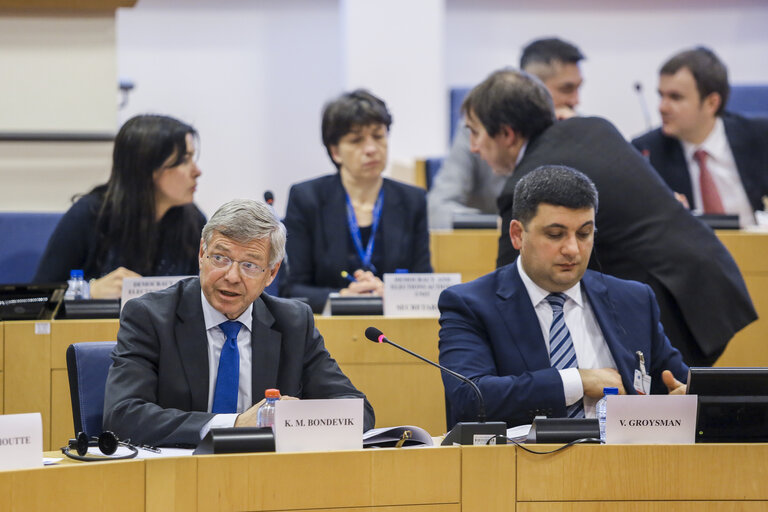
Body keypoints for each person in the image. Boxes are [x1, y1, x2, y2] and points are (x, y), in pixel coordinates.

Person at [464, 68, 755, 368]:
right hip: (710, 278)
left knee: (656, 409)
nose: (473, 147)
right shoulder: (594, 127)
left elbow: (510, 294)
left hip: (672, 301)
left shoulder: (527, 185)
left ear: (507, 134)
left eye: (475, 131)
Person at [103, 199, 375, 447]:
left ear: (271, 272)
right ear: (201, 254)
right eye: (220, 258)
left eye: (250, 265)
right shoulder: (149, 316)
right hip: (177, 479)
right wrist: (234, 424)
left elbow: (358, 411)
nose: (232, 276)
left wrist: (297, 417)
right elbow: (122, 414)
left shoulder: (293, 323)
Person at [438, 165, 688, 428]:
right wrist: (577, 381)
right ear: (517, 235)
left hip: (623, 464)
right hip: (521, 465)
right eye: (555, 235)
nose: (572, 249)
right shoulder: (470, 304)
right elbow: (471, 397)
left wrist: (683, 398)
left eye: (584, 234)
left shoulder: (634, 300)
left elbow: (674, 382)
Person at [281, 89, 432, 313]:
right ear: (335, 152)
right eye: (356, 140)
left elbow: (425, 284)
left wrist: (391, 294)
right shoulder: (306, 198)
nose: (371, 149)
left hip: (395, 328)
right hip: (328, 331)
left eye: (378, 136)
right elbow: (292, 289)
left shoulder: (412, 200)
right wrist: (342, 297)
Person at [33, 114, 206, 298]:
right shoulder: (90, 215)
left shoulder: (194, 222)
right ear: (148, 168)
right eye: (185, 160)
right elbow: (37, 297)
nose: (197, 171)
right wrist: (88, 291)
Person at [427, 37, 585, 228]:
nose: (576, 101)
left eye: (578, 89)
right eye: (566, 89)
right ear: (530, 88)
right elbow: (438, 208)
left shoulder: (576, 131)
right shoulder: (479, 130)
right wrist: (504, 226)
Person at [632, 47, 768, 227]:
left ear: (712, 103)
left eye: (675, 97)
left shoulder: (760, 137)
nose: (662, 107)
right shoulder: (646, 152)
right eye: (661, 95)